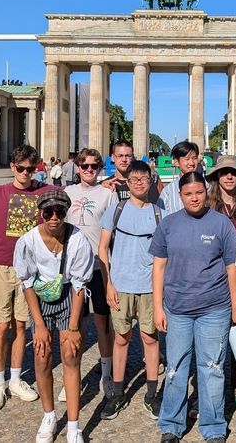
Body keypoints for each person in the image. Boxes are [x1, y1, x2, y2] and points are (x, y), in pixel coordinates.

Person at [151, 172, 236, 443]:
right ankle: (171, 424)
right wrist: (157, 307)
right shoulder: (168, 224)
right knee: (176, 367)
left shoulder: (221, 224)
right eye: (188, 194)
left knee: (212, 367)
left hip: (214, 307)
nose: (194, 198)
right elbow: (159, 267)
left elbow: (231, 267)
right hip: (177, 307)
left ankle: (213, 428)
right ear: (180, 196)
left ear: (206, 192)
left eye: (199, 192)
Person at [0, 145, 52, 410]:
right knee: (0, 326)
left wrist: (113, 184)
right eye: (21, 168)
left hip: (30, 269)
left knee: (21, 325)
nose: (25, 173)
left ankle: (16, 379)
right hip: (0, 265)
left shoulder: (44, 191)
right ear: (12, 167)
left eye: (30, 169)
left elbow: (76, 193)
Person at [13, 189, 94, 443]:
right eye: (48, 212)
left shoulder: (78, 239)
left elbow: (80, 285)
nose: (54, 217)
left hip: (70, 294)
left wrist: (72, 328)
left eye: (60, 212)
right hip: (40, 295)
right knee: (42, 356)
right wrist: (37, 324)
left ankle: (73, 425)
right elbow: (26, 283)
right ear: (41, 214)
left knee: (71, 356)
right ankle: (49, 416)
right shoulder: (27, 241)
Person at [97, 160, 164, 420]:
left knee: (150, 338)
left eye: (143, 178)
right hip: (121, 286)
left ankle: (151, 394)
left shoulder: (159, 212)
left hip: (148, 287)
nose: (138, 182)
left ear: (150, 180)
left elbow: (164, 255)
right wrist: (108, 284)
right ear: (127, 181)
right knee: (121, 338)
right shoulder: (116, 209)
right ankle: (116, 393)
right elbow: (103, 248)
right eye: (134, 179)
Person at [64, 148, 116, 400]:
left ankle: (106, 372)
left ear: (100, 168)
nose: (89, 170)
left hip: (98, 266)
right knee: (75, 324)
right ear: (77, 168)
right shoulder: (66, 193)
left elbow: (116, 230)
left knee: (102, 322)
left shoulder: (108, 194)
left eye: (94, 166)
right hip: (72, 270)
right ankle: (72, 375)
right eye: (84, 166)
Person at [207, 154, 236, 412]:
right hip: (216, 280)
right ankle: (211, 394)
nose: (229, 176)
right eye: (224, 172)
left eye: (233, 172)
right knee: (213, 340)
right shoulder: (208, 208)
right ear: (216, 177)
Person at [103, 139, 163, 204]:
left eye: (128, 156)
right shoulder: (105, 185)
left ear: (133, 157)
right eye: (120, 156)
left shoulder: (145, 183)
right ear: (112, 158)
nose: (124, 160)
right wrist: (101, 189)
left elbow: (156, 208)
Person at [158, 140, 201, 214]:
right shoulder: (168, 192)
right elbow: (160, 218)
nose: (191, 163)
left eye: (194, 158)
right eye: (187, 159)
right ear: (176, 162)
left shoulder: (208, 187)